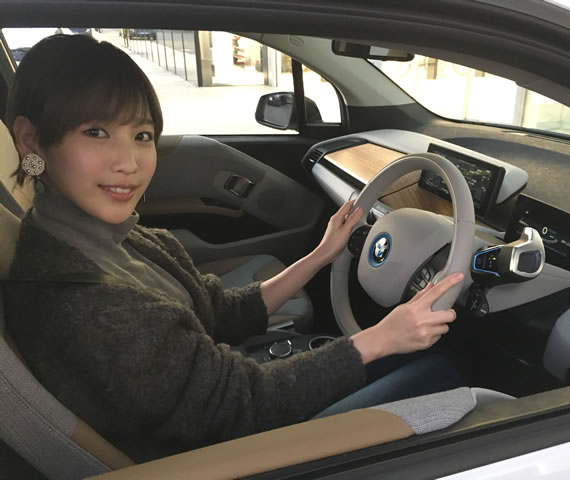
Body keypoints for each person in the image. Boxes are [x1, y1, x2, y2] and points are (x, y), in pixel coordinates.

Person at [4, 34, 464, 462]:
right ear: (30, 140)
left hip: (223, 410)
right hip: (234, 455)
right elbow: (244, 404)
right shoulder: (86, 304)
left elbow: (217, 312)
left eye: (141, 135)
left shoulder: (106, 240)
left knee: (405, 356)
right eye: (96, 133)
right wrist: (379, 338)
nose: (129, 163)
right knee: (442, 375)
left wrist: (322, 255)